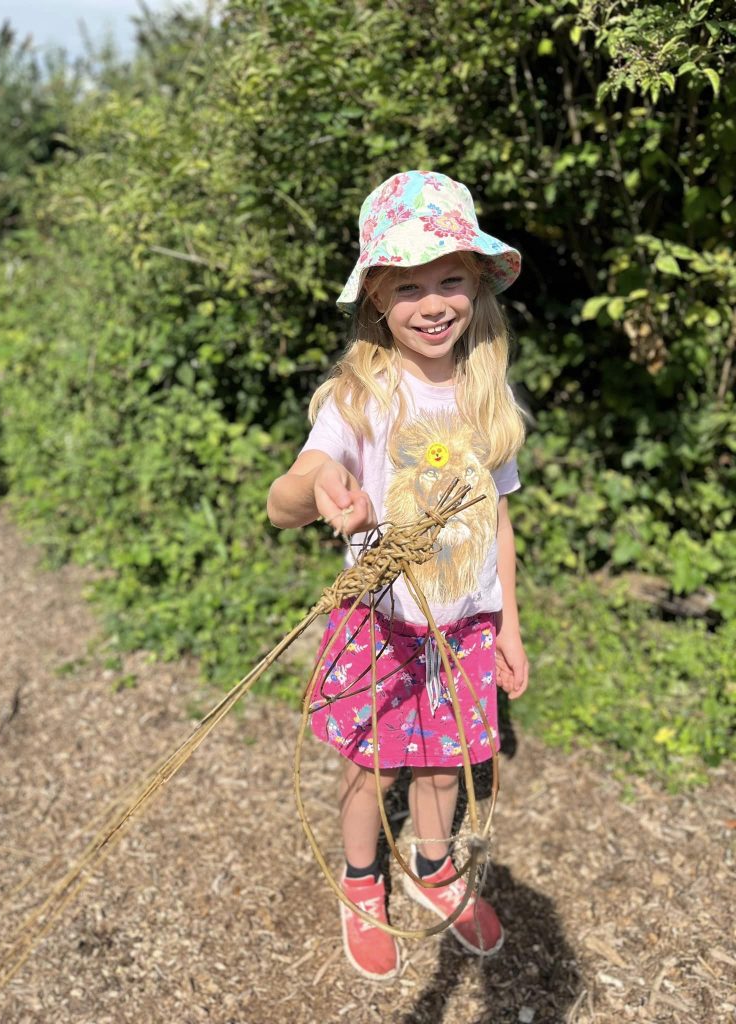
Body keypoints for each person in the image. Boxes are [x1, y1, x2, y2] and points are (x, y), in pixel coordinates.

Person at [267, 170, 529, 981]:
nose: (433, 302)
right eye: (408, 285)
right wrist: (317, 489)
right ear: (377, 297)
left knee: (443, 760)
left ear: (480, 283)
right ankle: (360, 881)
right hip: (381, 624)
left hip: (467, 623)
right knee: (371, 761)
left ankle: (435, 864)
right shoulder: (359, 395)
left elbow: (499, 521)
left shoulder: (489, 395)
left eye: (450, 278)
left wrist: (510, 622)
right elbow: (284, 499)